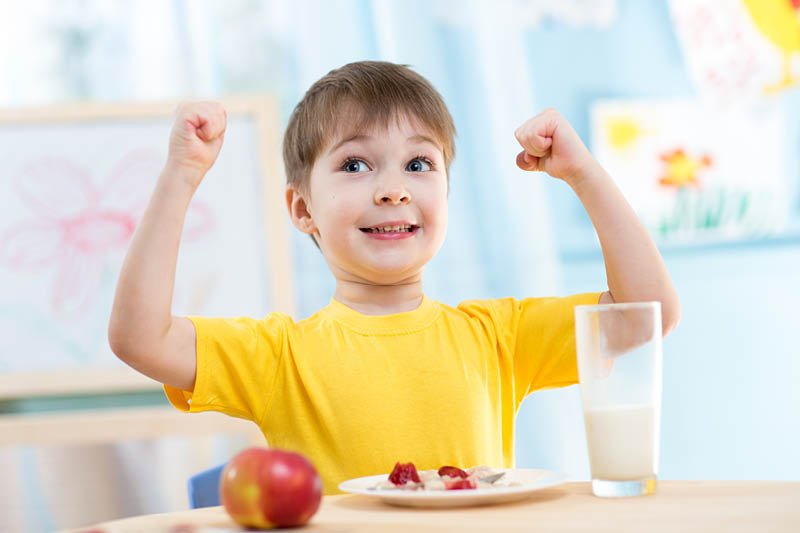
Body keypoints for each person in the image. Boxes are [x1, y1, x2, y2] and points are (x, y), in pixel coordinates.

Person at [108, 61, 680, 494]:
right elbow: (141, 338)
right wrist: (181, 175)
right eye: (355, 165)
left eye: (419, 164)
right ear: (303, 209)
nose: (392, 188)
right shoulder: (279, 355)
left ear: (446, 196)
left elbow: (647, 314)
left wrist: (583, 174)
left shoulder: (498, 337)